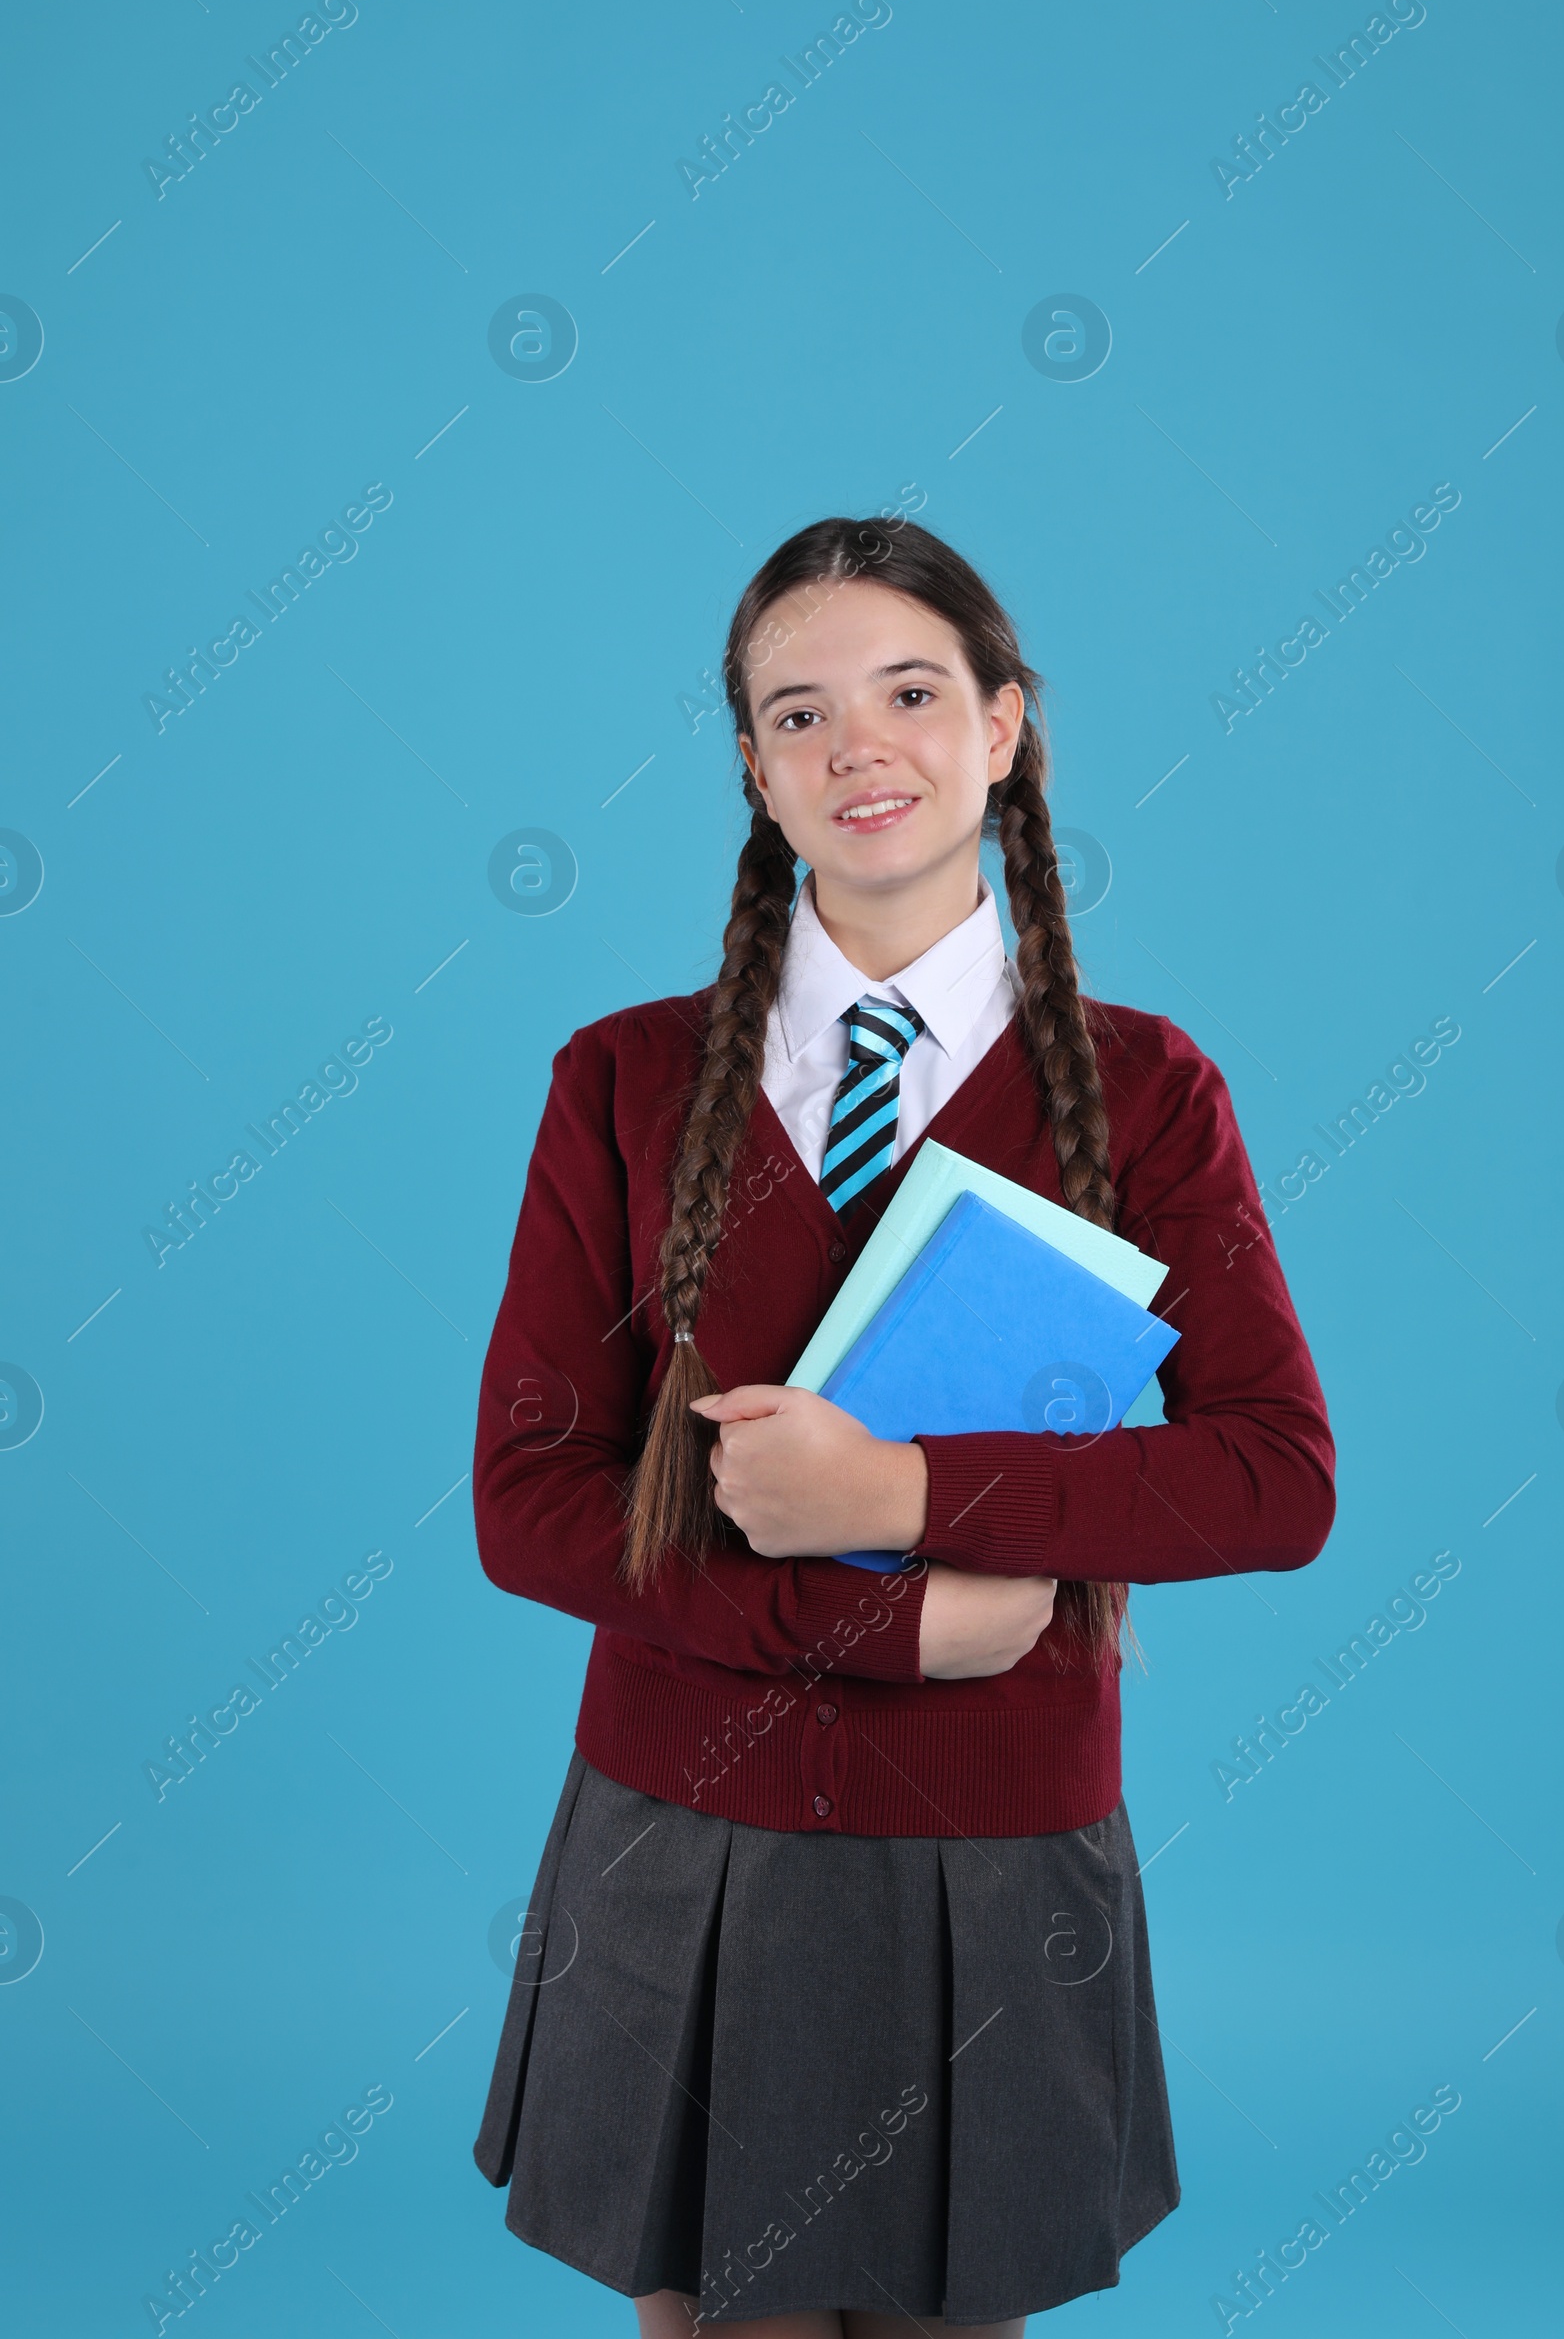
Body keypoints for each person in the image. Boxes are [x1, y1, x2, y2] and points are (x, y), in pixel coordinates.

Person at [471, 515, 1335, 2336]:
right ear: (753, 770)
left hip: (997, 1846)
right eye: (798, 712)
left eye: (912, 691)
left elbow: (1276, 1475)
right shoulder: (623, 1080)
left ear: (1007, 729)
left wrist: (906, 1490)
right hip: (690, 1834)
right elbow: (527, 1505)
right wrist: (866, 1614)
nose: (856, 743)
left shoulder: (1153, 1092)